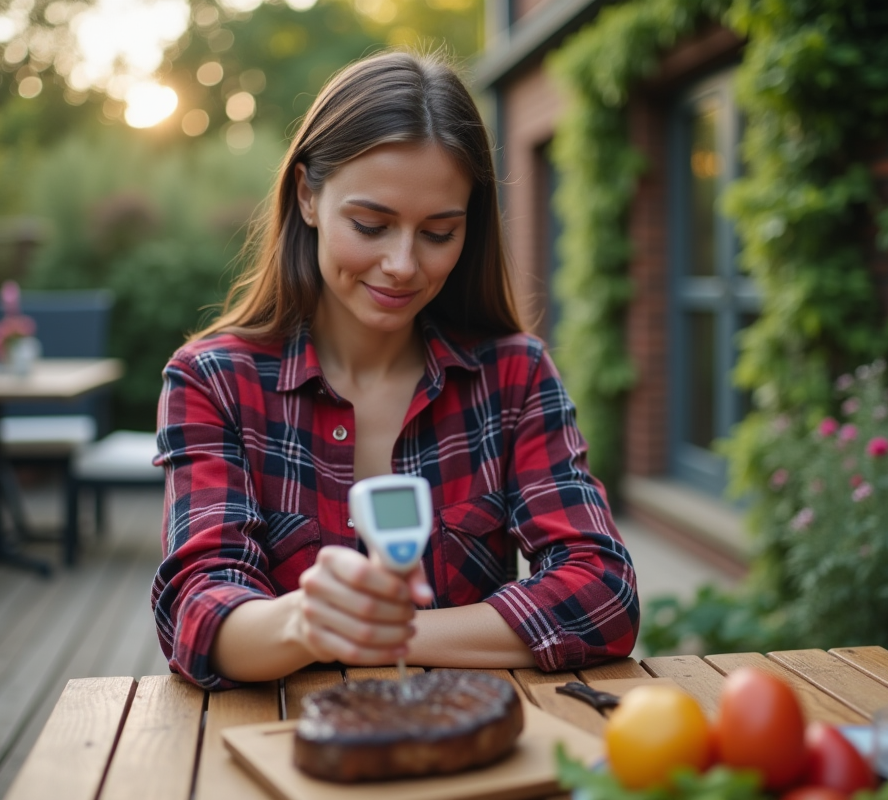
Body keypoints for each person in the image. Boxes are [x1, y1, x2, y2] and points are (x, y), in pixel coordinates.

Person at [152, 50, 639, 689]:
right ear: (307, 196)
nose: (403, 264)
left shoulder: (514, 376)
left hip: (468, 745)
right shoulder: (213, 382)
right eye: (371, 224)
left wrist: (378, 634)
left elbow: (602, 591)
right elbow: (199, 614)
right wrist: (306, 621)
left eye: (439, 233)